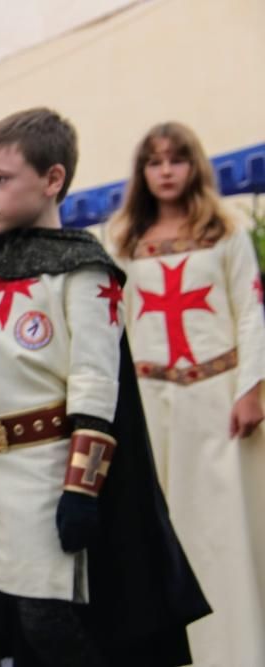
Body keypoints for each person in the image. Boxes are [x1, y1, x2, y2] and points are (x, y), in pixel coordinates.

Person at [0, 108, 209, 665]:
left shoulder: (84, 268)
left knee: (51, 631)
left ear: (52, 180)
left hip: (41, 477)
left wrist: (81, 490)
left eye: (1, 180)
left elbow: (96, 384)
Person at [105, 121, 265, 666]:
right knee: (157, 527)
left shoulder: (226, 231)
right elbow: (111, 324)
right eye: (154, 161)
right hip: (150, 405)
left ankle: (235, 653)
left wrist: (251, 390)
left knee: (222, 532)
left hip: (217, 402)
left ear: (194, 166)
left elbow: (251, 313)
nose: (166, 170)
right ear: (142, 172)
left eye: (176, 159)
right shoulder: (121, 239)